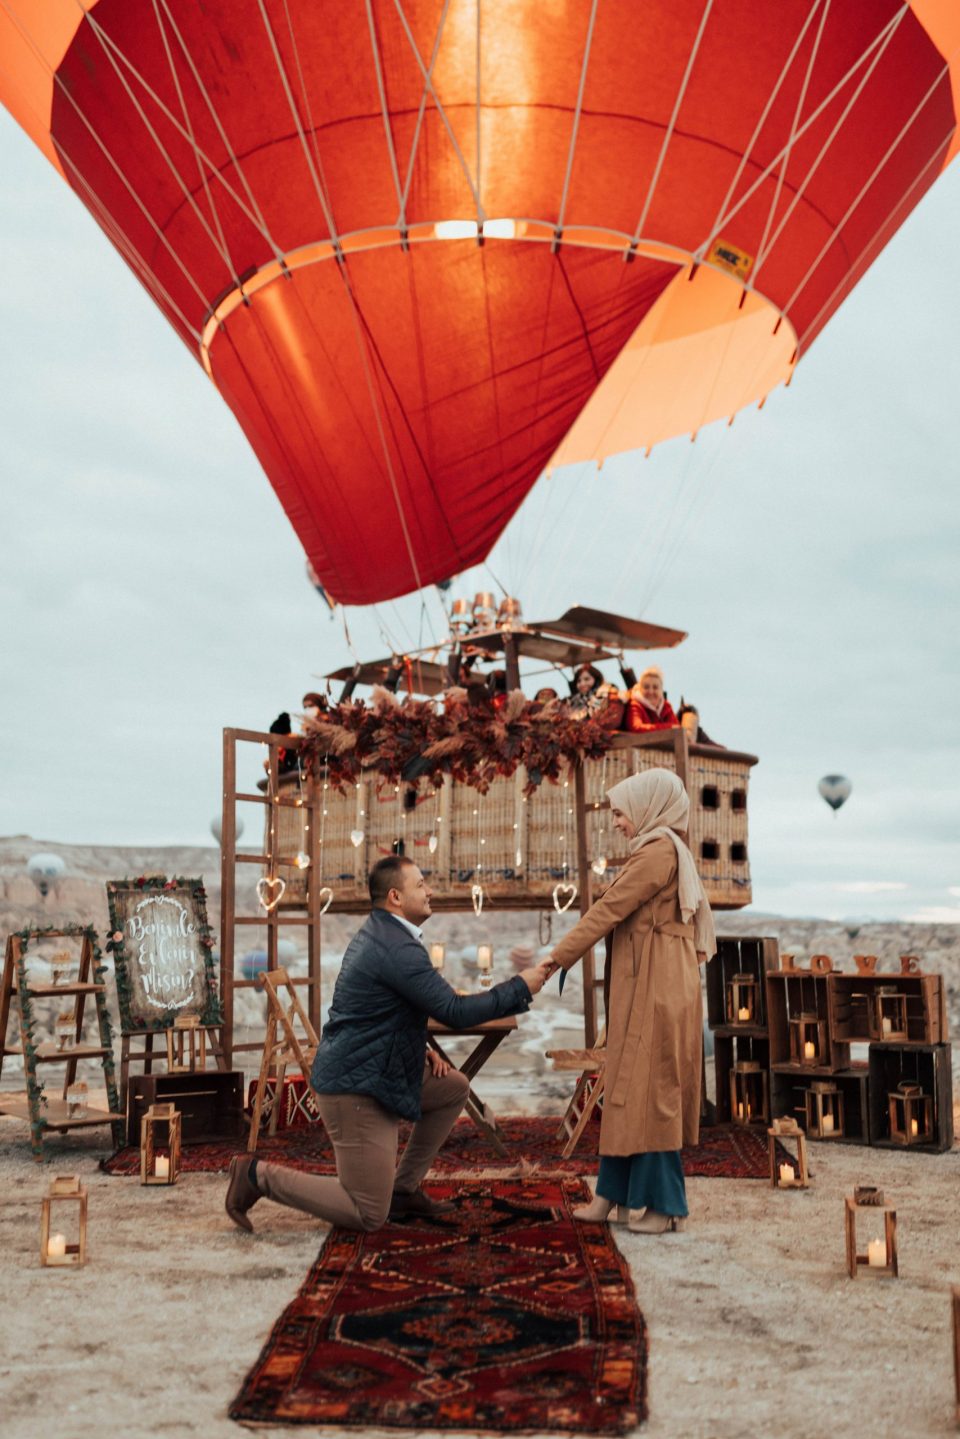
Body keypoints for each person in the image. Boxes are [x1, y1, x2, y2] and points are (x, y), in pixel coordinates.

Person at [225, 855, 552, 1233]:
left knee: (452, 1088)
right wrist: (520, 987)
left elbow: (380, 1012)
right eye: (420, 885)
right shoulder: (395, 947)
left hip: (378, 1070)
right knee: (367, 1213)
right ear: (396, 897)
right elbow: (454, 1011)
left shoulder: (387, 936)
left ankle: (403, 1190)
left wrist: (420, 1047)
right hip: (357, 1088)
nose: (429, 891)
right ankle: (255, 1176)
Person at [543, 769, 715, 1234]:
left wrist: (553, 961)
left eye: (620, 812)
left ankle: (665, 1206)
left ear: (647, 807)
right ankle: (612, 1194)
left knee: (653, 1090)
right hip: (647, 981)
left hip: (657, 988)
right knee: (623, 1085)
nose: (617, 822)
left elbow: (609, 908)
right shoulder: (657, 849)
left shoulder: (658, 852)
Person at [624, 665, 678, 732]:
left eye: (655, 687)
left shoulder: (666, 706)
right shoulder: (635, 705)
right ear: (640, 689)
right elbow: (636, 728)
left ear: (661, 690)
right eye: (646, 687)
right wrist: (669, 727)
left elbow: (677, 728)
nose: (651, 691)